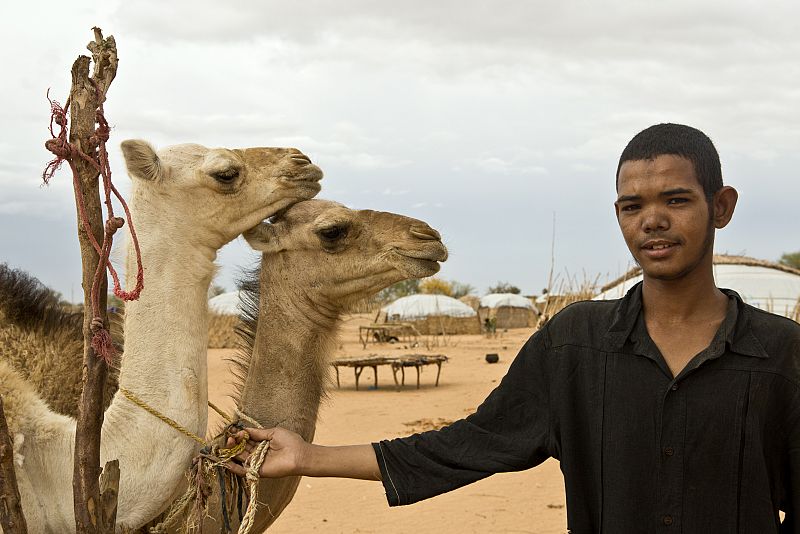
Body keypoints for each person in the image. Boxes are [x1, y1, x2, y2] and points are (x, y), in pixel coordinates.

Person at [227, 123, 800, 532]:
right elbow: (468, 445)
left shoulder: (783, 354)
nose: (652, 219)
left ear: (721, 207)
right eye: (632, 206)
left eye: (677, 200)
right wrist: (308, 457)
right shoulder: (574, 343)